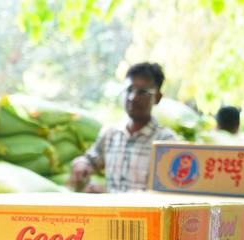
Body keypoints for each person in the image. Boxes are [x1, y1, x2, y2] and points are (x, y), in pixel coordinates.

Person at [70, 62, 177, 193]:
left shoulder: (165, 141)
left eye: (142, 92)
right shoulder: (110, 134)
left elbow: (167, 194)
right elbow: (91, 160)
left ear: (157, 98)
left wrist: (109, 197)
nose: (133, 97)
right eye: (129, 90)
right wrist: (81, 164)